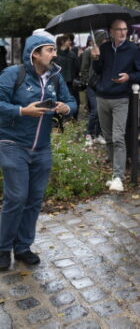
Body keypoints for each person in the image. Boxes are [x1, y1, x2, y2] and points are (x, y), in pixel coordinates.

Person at [0, 34, 77, 270]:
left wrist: (66, 108)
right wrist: (22, 111)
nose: (55, 54)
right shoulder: (14, 74)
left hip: (42, 148)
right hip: (13, 144)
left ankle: (23, 247)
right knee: (17, 197)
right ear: (35, 53)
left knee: (34, 199)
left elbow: (72, 102)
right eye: (50, 50)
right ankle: (3, 248)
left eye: (54, 50)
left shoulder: (55, 77)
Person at [91, 19, 140, 192]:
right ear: (110, 31)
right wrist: (95, 58)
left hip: (121, 98)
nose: (123, 32)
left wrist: (128, 77)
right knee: (108, 138)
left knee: (118, 137)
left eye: (125, 29)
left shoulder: (133, 49)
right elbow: (99, 70)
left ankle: (118, 177)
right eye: (119, 29)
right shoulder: (105, 48)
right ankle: (115, 174)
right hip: (102, 97)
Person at [80, 30, 108, 146]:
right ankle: (88, 134)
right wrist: (88, 82)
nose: (105, 41)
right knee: (95, 110)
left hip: (103, 85)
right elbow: (84, 68)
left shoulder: (107, 51)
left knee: (102, 110)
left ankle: (99, 134)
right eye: (103, 39)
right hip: (92, 85)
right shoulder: (88, 51)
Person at [54, 34, 80, 119]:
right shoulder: (55, 54)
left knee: (74, 101)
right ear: (62, 41)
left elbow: (77, 68)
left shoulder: (72, 54)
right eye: (68, 40)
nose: (70, 42)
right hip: (58, 83)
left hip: (70, 83)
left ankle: (73, 119)